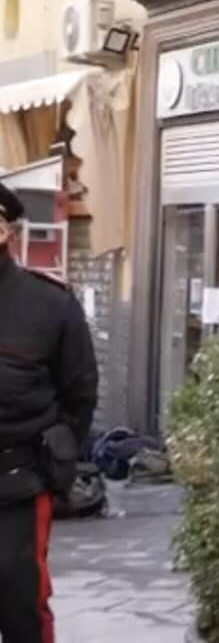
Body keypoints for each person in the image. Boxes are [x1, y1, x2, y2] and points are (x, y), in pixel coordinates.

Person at [0, 181, 99, 642]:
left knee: (22, 606)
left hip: (18, 485)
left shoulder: (50, 305)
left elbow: (80, 394)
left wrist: (54, 460)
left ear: (5, 230)